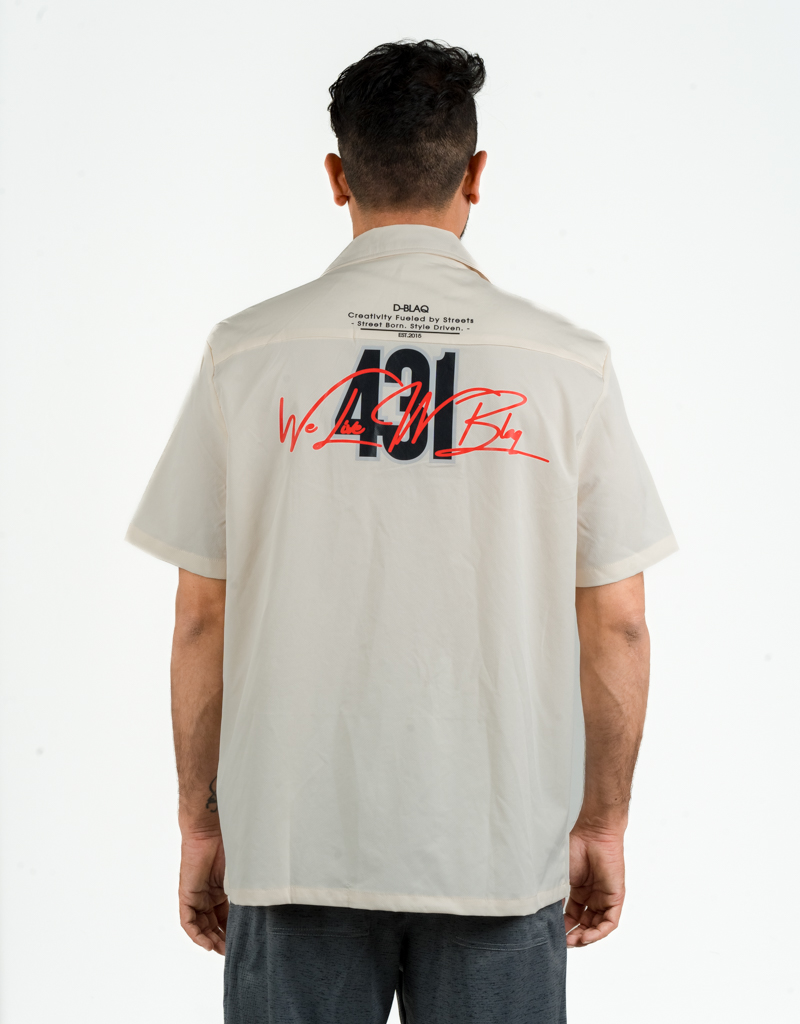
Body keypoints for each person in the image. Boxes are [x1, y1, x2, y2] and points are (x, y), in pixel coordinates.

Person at [126, 38, 677, 1024]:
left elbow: (201, 618)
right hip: (497, 851)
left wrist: (201, 823)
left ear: (337, 176)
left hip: (293, 843)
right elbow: (620, 623)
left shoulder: (246, 354)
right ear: (476, 174)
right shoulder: (567, 364)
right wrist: (601, 820)